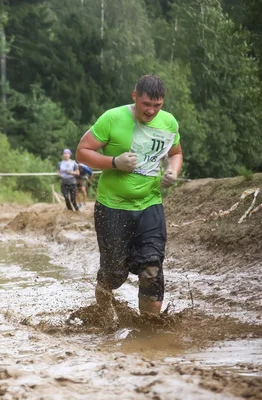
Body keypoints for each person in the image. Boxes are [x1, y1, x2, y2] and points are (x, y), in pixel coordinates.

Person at [75, 74, 183, 317]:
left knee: (152, 269)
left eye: (157, 105)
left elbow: (176, 153)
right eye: (146, 104)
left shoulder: (168, 122)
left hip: (150, 204)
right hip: (112, 207)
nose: (151, 111)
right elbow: (82, 152)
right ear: (135, 96)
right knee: (114, 273)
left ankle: (149, 329)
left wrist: (172, 172)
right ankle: (104, 316)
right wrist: (114, 162)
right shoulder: (112, 118)